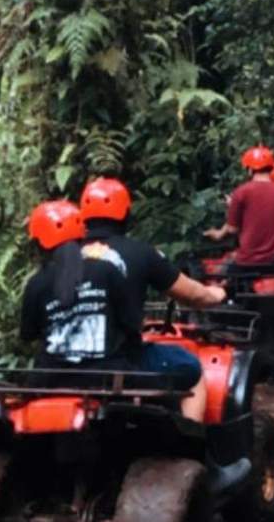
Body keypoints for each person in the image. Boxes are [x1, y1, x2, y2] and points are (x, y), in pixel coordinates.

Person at [20, 178, 226, 422]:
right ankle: (191, 439)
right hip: (112, 367)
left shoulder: (37, 282)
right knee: (190, 367)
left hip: (52, 374)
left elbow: (29, 335)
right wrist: (215, 295)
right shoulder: (114, 265)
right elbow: (135, 321)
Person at [203, 145, 274, 266]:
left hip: (247, 261)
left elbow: (233, 229)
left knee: (224, 279)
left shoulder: (241, 192)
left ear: (249, 169)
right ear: (271, 168)